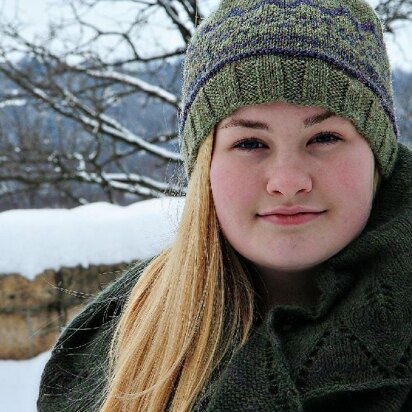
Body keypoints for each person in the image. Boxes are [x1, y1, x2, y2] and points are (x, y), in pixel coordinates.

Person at [37, 0, 412, 411]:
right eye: (250, 143)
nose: (288, 181)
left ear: (377, 153)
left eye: (324, 138)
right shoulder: (111, 350)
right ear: (206, 167)